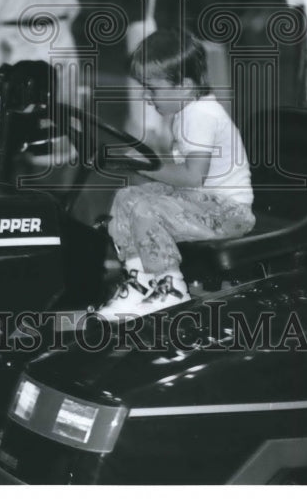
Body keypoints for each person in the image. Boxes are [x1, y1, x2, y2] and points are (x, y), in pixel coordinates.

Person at [96, 28, 255, 320]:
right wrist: (137, 162)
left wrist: (143, 166)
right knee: (126, 198)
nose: (146, 97)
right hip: (204, 202)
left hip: (230, 212)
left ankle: (170, 287)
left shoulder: (200, 115)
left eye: (152, 89)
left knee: (146, 209)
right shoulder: (186, 111)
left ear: (184, 86)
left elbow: (192, 177)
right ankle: (140, 282)